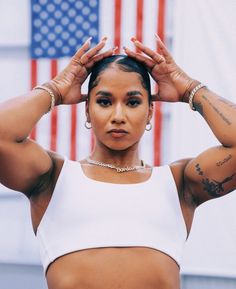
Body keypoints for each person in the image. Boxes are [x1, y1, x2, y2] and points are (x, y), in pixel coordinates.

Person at [0, 34, 235, 289]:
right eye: (104, 102)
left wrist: (190, 88)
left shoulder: (179, 184)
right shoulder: (52, 179)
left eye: (133, 102)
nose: (118, 115)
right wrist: (56, 88)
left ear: (149, 112)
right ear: (87, 109)